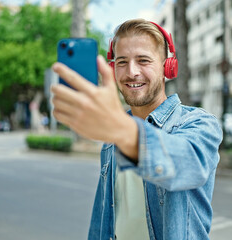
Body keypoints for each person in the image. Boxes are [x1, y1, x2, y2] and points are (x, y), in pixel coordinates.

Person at [51, 19, 222, 240]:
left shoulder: (199, 123)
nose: (132, 72)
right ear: (112, 69)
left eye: (143, 60)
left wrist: (121, 130)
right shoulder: (113, 136)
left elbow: (189, 163)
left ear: (166, 68)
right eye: (122, 62)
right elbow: (104, 220)